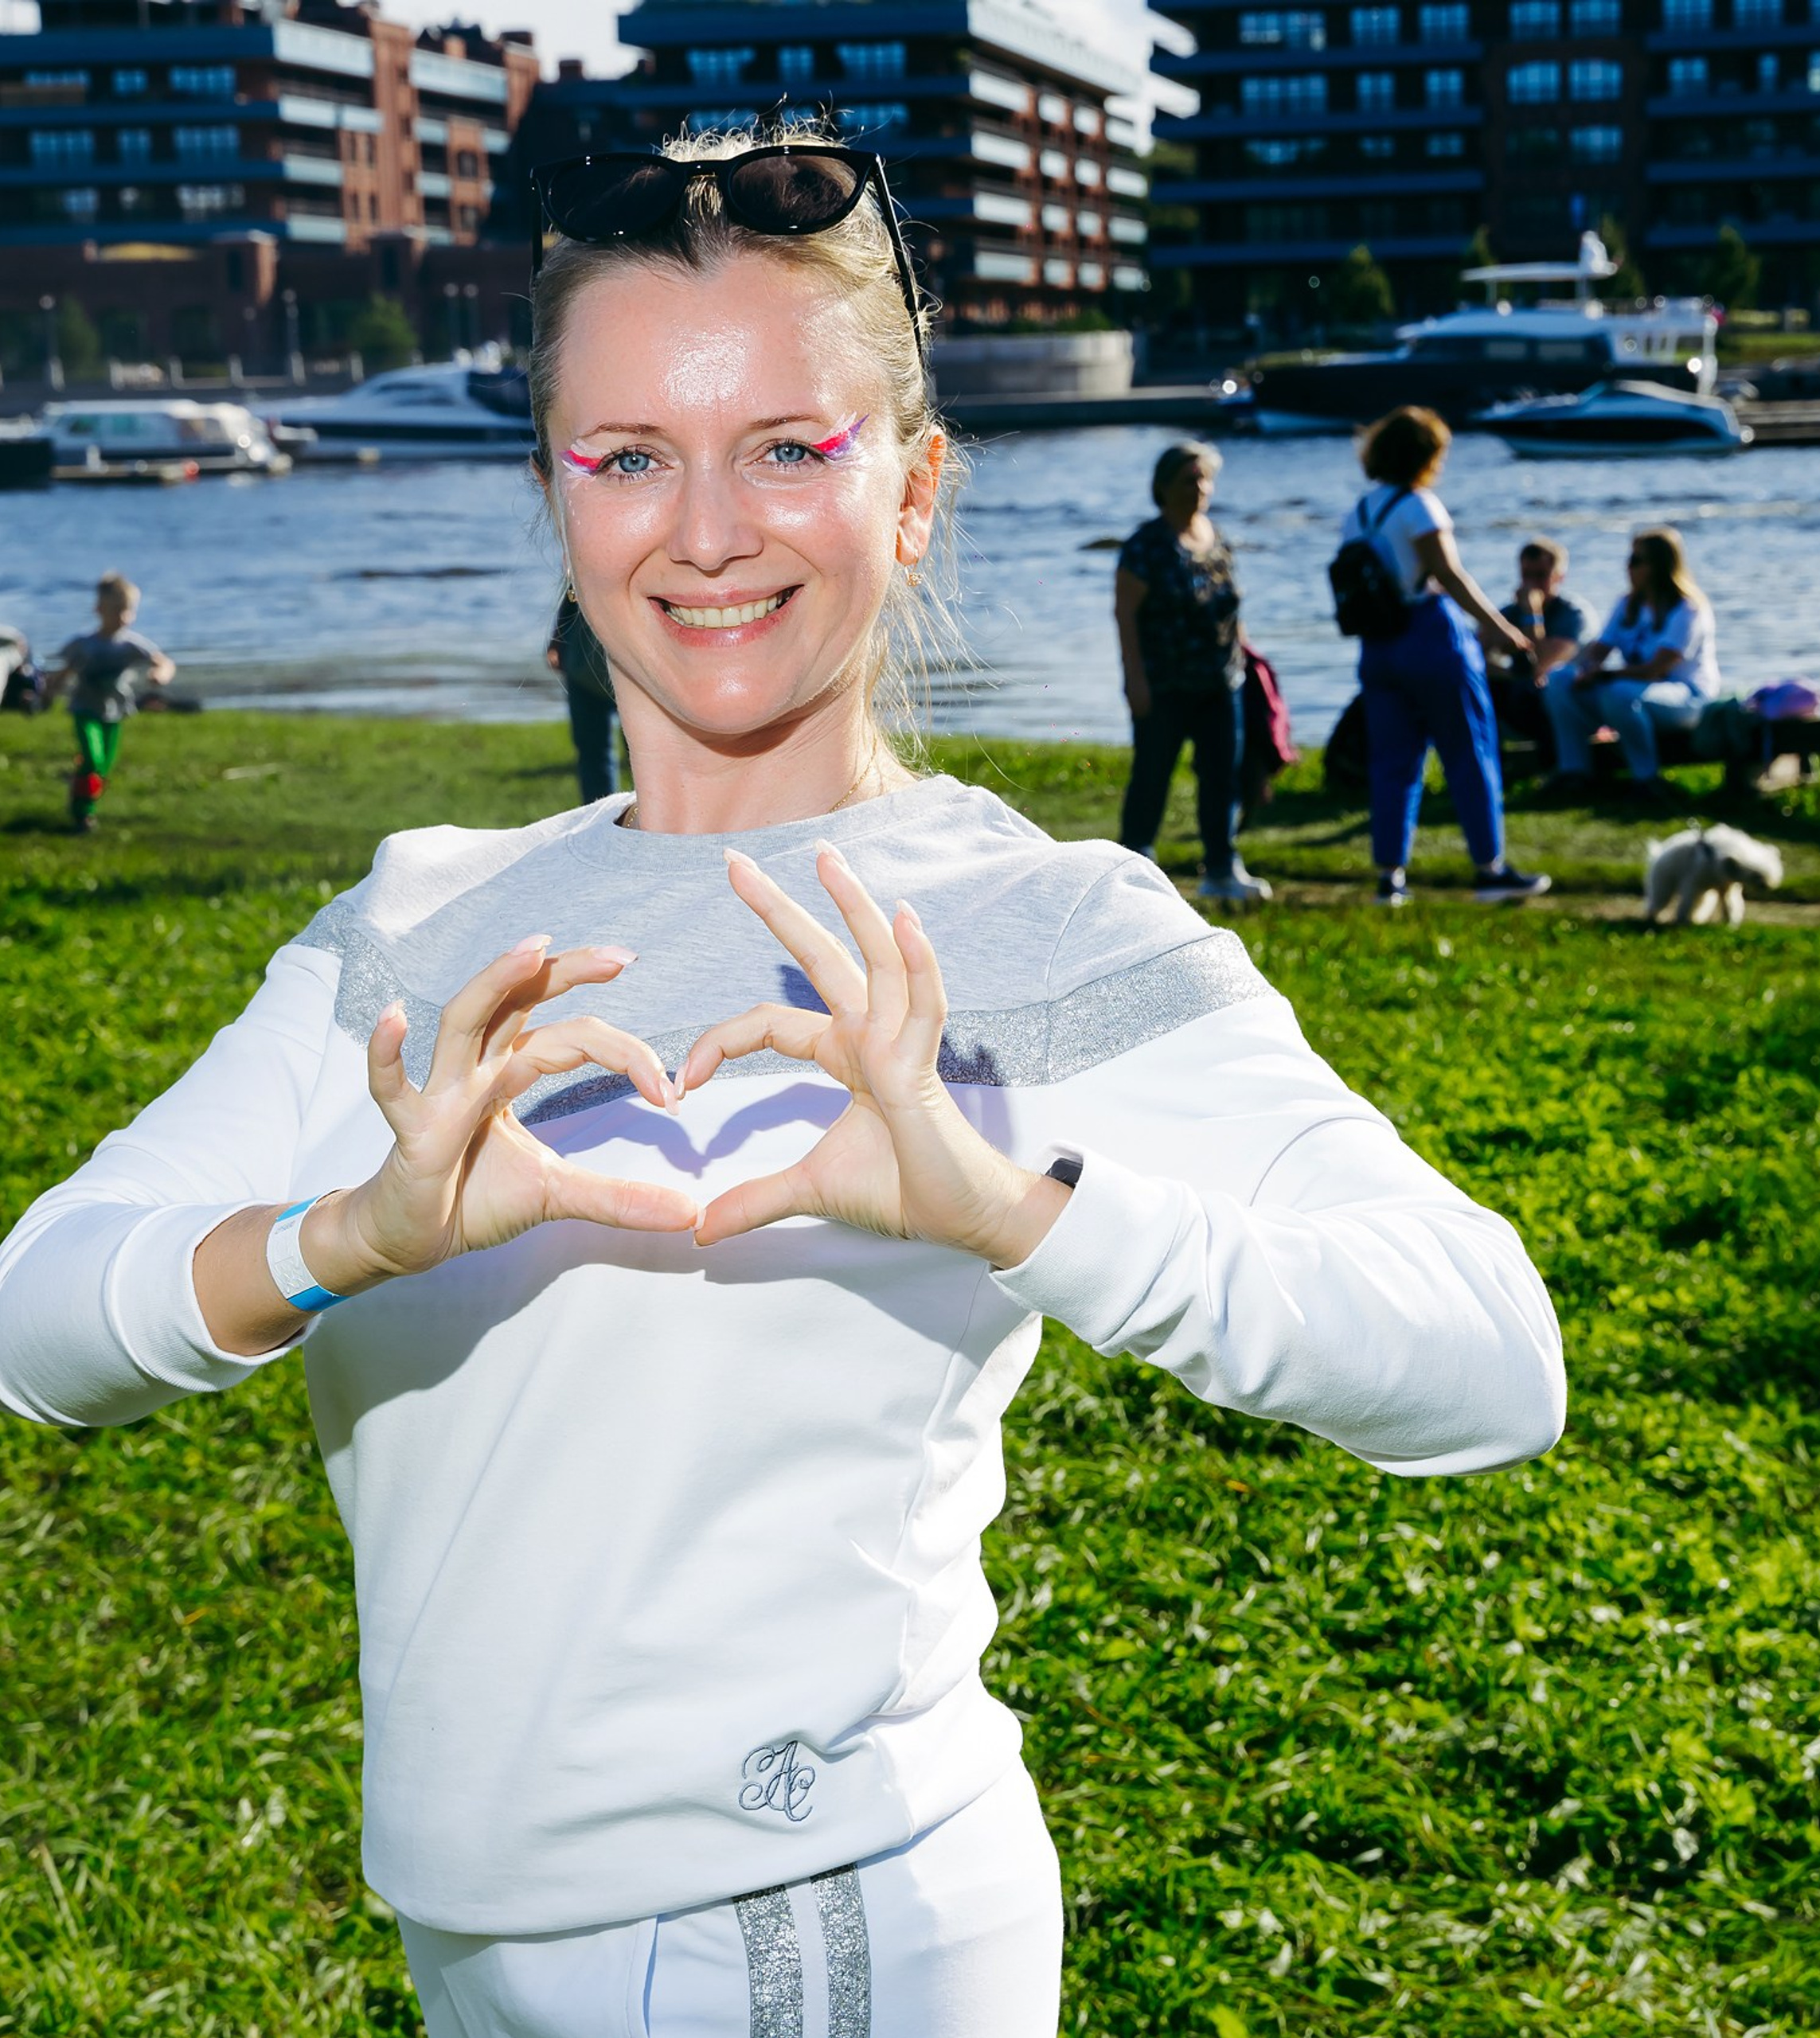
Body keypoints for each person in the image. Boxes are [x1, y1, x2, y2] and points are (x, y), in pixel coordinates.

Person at [0, 128, 1565, 2038]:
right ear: (554, 492)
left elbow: (1486, 1354)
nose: (708, 531)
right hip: (467, 1922)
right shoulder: (417, 915)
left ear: (912, 491)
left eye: (787, 448)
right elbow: (33, 1316)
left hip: (800, 1932)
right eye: (628, 455)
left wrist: (1014, 1205)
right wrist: (346, 1236)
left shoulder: (1026, 917)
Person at [1342, 408, 1548, 908]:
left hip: (1378, 645)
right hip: (1430, 637)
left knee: (1393, 761)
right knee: (1469, 752)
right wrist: (1504, 631)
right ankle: (1490, 869)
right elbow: (1450, 575)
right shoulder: (1419, 507)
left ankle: (1390, 877)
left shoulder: (1360, 513)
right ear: (1426, 456)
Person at [1115, 439, 1272, 905]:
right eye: (1189, 480)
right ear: (1163, 487)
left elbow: (1230, 607)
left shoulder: (1215, 535)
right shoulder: (1145, 547)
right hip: (1164, 685)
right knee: (1152, 777)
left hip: (1223, 683)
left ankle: (1222, 868)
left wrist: (1250, 659)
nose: (1199, 488)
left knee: (1222, 778)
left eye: (1204, 479)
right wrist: (1134, 680)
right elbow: (1125, 616)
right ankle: (1131, 870)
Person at [1544, 526, 1720, 806]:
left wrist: (1605, 675)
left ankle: (1647, 780)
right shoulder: (1627, 605)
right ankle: (1574, 771)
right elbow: (1599, 650)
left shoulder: (1688, 609)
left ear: (1659, 566)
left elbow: (1656, 669)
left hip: (1687, 698)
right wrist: (1586, 670)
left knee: (1619, 692)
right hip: (1636, 693)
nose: (1628, 567)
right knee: (1559, 679)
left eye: (1636, 561)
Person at [50, 571, 174, 833]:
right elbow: (64, 673)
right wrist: (48, 691)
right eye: (117, 610)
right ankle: (82, 813)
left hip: (114, 712)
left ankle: (83, 802)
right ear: (99, 609)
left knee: (103, 767)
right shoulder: (84, 644)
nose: (124, 617)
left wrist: (160, 674)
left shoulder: (131, 644)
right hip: (85, 710)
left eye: (129, 610)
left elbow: (164, 662)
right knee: (93, 759)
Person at [1490, 537, 1597, 773]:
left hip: (1569, 701)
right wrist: (1508, 673)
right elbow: (1478, 657)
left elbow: (1540, 665)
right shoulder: (1510, 612)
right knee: (1482, 687)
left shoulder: (1574, 614)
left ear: (1559, 577)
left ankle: (1557, 769)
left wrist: (1532, 614)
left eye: (1540, 576)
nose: (1532, 584)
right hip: (1522, 699)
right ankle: (1493, 769)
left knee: (1532, 690)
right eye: (1526, 575)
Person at [546, 588, 623, 803]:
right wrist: (558, 640)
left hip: (632, 672)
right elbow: (573, 589)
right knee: (594, 753)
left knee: (649, 755)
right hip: (583, 666)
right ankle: (600, 814)